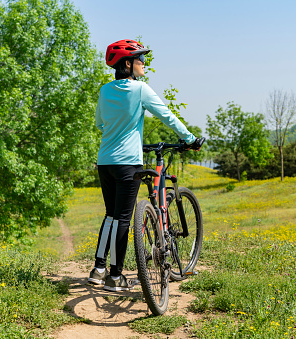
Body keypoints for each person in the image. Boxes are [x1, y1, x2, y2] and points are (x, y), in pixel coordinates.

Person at [88, 39, 199, 291]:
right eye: (140, 60)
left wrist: (117, 129)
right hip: (128, 162)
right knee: (124, 219)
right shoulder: (140, 90)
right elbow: (167, 115)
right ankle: (115, 278)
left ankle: (98, 269)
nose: (143, 64)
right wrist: (189, 139)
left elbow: (99, 123)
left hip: (105, 161)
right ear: (128, 64)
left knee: (110, 216)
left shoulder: (105, 90)